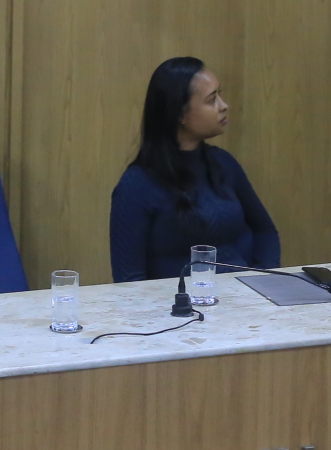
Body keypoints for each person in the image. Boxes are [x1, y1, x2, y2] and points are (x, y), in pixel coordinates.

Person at [110, 58, 280, 283]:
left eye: (219, 95)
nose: (224, 106)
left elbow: (265, 231)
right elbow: (129, 279)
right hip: (178, 302)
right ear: (179, 114)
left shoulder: (224, 163)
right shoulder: (136, 185)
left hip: (244, 295)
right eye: (212, 100)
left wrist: (260, 281)